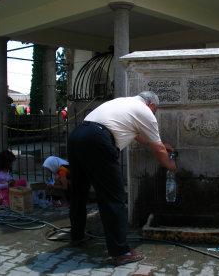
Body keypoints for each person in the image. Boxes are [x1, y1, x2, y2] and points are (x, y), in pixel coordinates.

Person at [67, 91, 177, 266]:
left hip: (77, 135)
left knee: (79, 191)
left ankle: (77, 236)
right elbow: (159, 149)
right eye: (154, 111)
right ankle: (120, 252)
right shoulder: (145, 111)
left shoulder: (124, 103)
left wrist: (159, 144)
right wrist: (169, 165)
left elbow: (141, 136)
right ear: (151, 105)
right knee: (114, 197)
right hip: (98, 140)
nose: (153, 114)